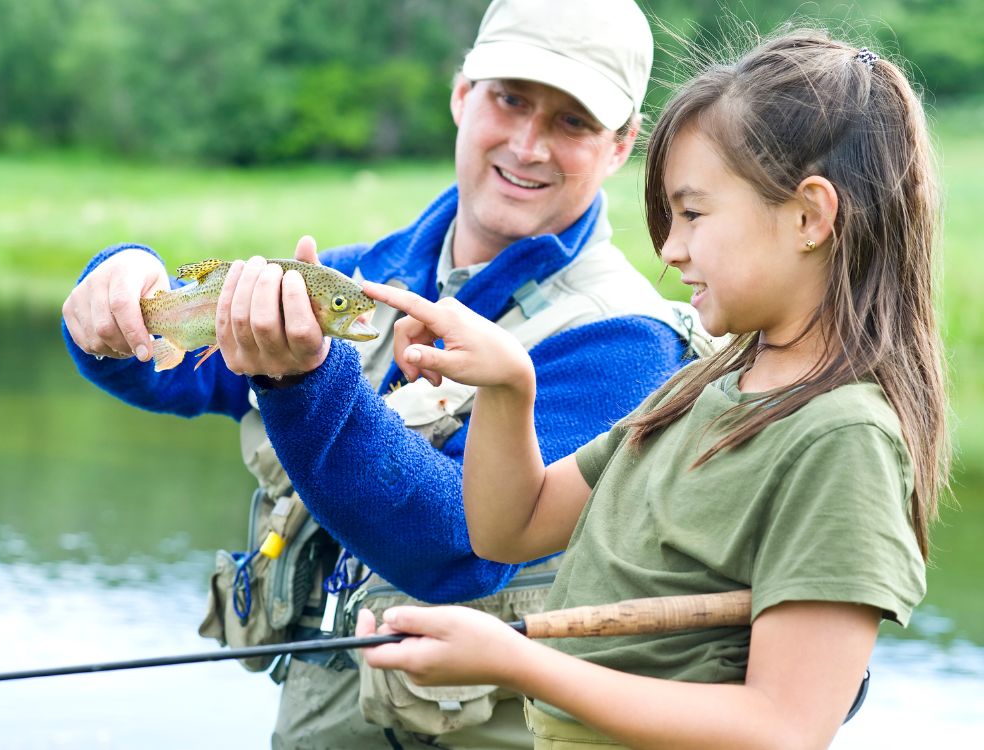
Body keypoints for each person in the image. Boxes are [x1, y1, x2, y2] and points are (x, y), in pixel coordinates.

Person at [60, 1, 706, 746]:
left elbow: (463, 544)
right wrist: (117, 289)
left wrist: (304, 382)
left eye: (572, 122)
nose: (529, 144)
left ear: (621, 145)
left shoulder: (625, 339)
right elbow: (169, 375)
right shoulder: (359, 275)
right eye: (511, 99)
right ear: (463, 95)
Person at [355, 29, 949, 749]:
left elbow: (784, 727)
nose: (670, 250)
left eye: (693, 213)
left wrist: (520, 662)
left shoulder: (844, 438)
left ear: (809, 217)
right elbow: (510, 525)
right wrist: (510, 385)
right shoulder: (706, 384)